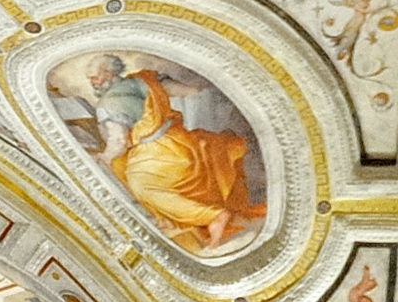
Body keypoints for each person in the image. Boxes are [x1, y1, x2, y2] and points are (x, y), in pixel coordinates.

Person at [69, 54, 265, 250]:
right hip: (181, 142)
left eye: (95, 77)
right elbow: (189, 90)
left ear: (108, 75)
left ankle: (212, 216)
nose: (93, 82)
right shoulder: (144, 79)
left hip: (156, 153)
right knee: (126, 168)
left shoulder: (109, 104)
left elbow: (118, 141)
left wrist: (103, 157)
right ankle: (172, 222)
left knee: (142, 187)